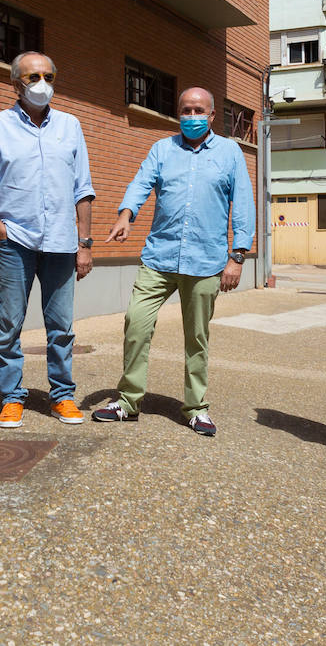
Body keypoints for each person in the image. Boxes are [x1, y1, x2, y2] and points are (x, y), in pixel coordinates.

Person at [93, 87, 254, 437]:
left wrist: (237, 256)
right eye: (186, 110)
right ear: (177, 113)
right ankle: (128, 400)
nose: (192, 116)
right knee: (136, 323)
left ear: (212, 116)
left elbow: (242, 205)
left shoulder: (230, 152)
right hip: (159, 257)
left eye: (199, 111)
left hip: (206, 261)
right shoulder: (162, 149)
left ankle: (196, 407)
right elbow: (141, 182)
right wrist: (125, 215)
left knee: (196, 337)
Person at [0, 52, 96, 429]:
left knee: (62, 326)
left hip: (61, 242)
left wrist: (84, 243)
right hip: (14, 242)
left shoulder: (71, 126)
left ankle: (62, 396)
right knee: (9, 323)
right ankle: (11, 397)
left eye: (48, 75)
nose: (41, 83)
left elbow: (83, 189)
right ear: (15, 83)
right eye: (32, 76)